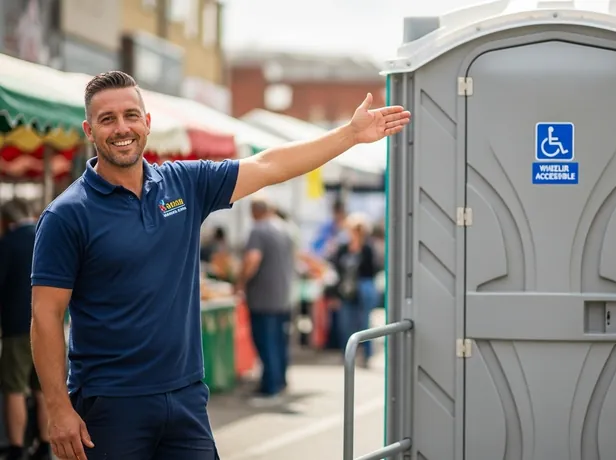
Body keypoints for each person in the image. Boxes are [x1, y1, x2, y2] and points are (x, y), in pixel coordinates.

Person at [30, 71, 410, 460]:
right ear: (89, 130)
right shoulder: (66, 215)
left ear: (147, 123)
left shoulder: (183, 185)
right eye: (107, 119)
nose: (121, 128)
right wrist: (59, 408)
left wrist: (349, 135)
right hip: (110, 403)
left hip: (185, 398)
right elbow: (46, 315)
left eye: (130, 115)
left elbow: (268, 166)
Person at [0, 199, 50, 460]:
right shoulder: (47, 235)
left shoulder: (8, 244)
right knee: (42, 389)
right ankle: (45, 445)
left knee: (14, 389)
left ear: (7, 221)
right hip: (48, 328)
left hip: (17, 328)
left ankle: (17, 448)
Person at [235, 198, 295, 404]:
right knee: (279, 342)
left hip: (263, 297)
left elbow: (252, 259)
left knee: (265, 342)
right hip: (284, 296)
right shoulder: (286, 229)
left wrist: (240, 282)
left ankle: (270, 387)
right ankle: (279, 381)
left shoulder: (259, 230)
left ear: (255, 212)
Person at [329, 213, 381, 368]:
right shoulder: (343, 248)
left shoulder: (368, 248)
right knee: (345, 323)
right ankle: (347, 354)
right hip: (346, 288)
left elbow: (374, 268)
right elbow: (335, 267)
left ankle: (366, 355)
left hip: (364, 287)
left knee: (364, 322)